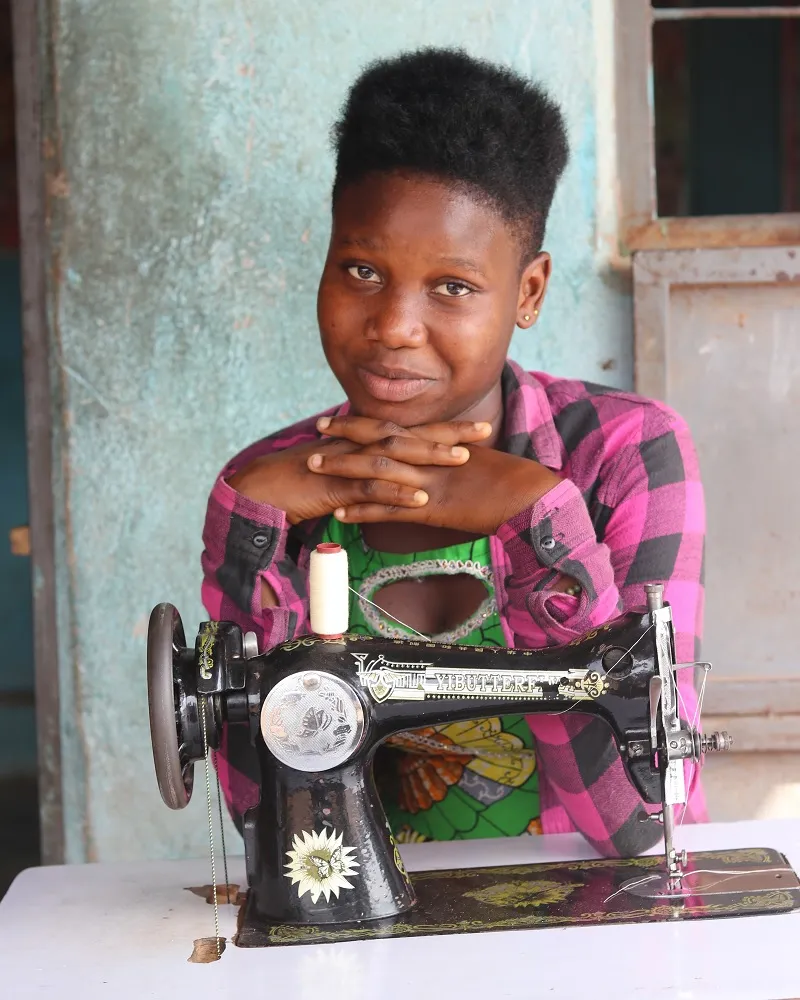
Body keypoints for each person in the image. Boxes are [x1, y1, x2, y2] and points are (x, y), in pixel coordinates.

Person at [201, 48, 707, 857]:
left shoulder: (628, 456)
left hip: (596, 936)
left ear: (529, 291)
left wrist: (535, 521)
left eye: (453, 287)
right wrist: (243, 528)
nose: (395, 325)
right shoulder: (273, 493)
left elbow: (642, 818)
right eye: (362, 269)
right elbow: (269, 821)